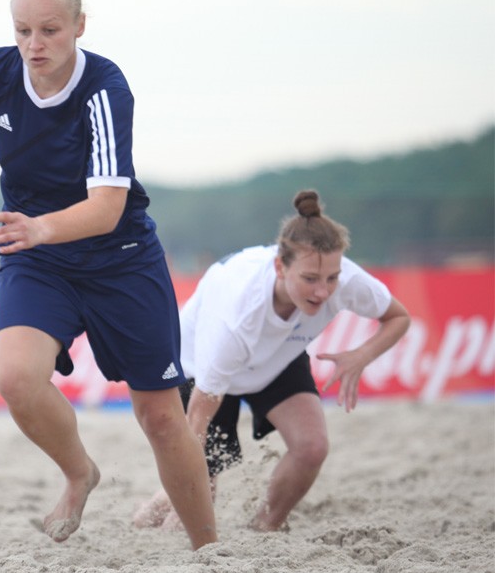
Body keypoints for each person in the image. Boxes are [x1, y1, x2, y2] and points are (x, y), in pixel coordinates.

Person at [0, 0, 217, 549]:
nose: (34, 45)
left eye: (50, 30)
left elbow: (106, 208)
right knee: (14, 377)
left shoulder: (106, 89)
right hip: (40, 260)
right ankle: (79, 471)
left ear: (80, 25)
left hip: (121, 256)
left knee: (162, 418)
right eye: (23, 30)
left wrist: (39, 228)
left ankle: (209, 550)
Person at [133, 190, 411, 532]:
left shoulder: (346, 280)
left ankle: (263, 531)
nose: (323, 292)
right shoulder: (237, 316)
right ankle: (148, 515)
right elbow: (196, 425)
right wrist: (187, 483)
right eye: (310, 279)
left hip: (278, 355)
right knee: (199, 490)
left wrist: (361, 355)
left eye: (331, 278)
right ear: (280, 267)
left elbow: (399, 317)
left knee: (312, 448)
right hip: (197, 367)